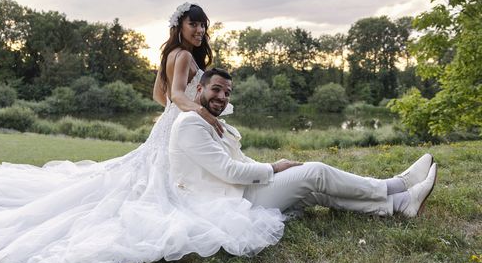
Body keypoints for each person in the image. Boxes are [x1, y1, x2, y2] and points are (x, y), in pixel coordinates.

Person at [0, 3, 284, 263]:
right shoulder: (181, 55)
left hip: (173, 128)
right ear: (180, 27)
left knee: (145, 182)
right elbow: (175, 95)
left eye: (203, 26)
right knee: (153, 188)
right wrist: (202, 114)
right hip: (183, 127)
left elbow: (158, 96)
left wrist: (180, 113)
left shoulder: (175, 54)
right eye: (194, 24)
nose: (199, 31)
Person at [169, 68, 438, 218]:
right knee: (316, 172)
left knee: (313, 192)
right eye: (216, 89)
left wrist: (272, 169)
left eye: (227, 93)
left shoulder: (210, 122)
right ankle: (397, 184)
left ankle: (400, 204)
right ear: (199, 90)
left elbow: (239, 162)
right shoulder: (190, 124)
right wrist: (274, 167)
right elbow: (228, 171)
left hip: (241, 191)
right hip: (229, 201)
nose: (222, 97)